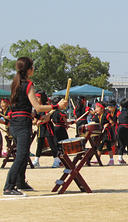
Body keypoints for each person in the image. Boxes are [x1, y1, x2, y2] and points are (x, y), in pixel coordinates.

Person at [3, 57, 67, 196]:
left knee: (24, 153)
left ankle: (20, 182)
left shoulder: (15, 83)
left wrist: (38, 117)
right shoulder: (28, 85)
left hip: (15, 122)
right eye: (32, 67)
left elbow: (22, 106)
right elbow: (37, 107)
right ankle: (9, 186)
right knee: (21, 155)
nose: (33, 69)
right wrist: (57, 106)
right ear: (29, 69)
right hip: (22, 124)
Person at [32, 91, 61, 168]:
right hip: (41, 128)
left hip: (48, 127)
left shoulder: (47, 106)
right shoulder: (37, 107)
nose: (36, 99)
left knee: (51, 143)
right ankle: (36, 160)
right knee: (40, 144)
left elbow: (47, 118)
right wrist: (33, 122)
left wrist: (40, 121)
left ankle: (56, 160)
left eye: (38, 97)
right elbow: (35, 120)